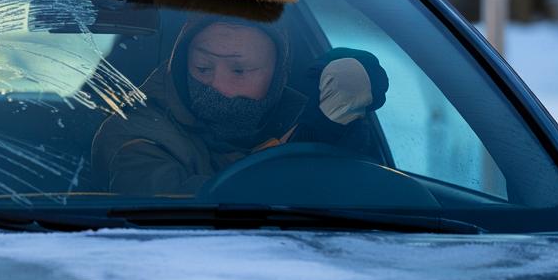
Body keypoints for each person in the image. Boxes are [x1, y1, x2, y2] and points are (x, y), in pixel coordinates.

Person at [92, 16, 388, 198]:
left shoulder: (304, 116)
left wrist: (346, 127)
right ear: (180, 63)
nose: (219, 86)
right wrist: (302, 148)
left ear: (278, 74)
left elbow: (371, 200)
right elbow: (177, 211)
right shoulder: (134, 131)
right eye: (203, 67)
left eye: (239, 71)